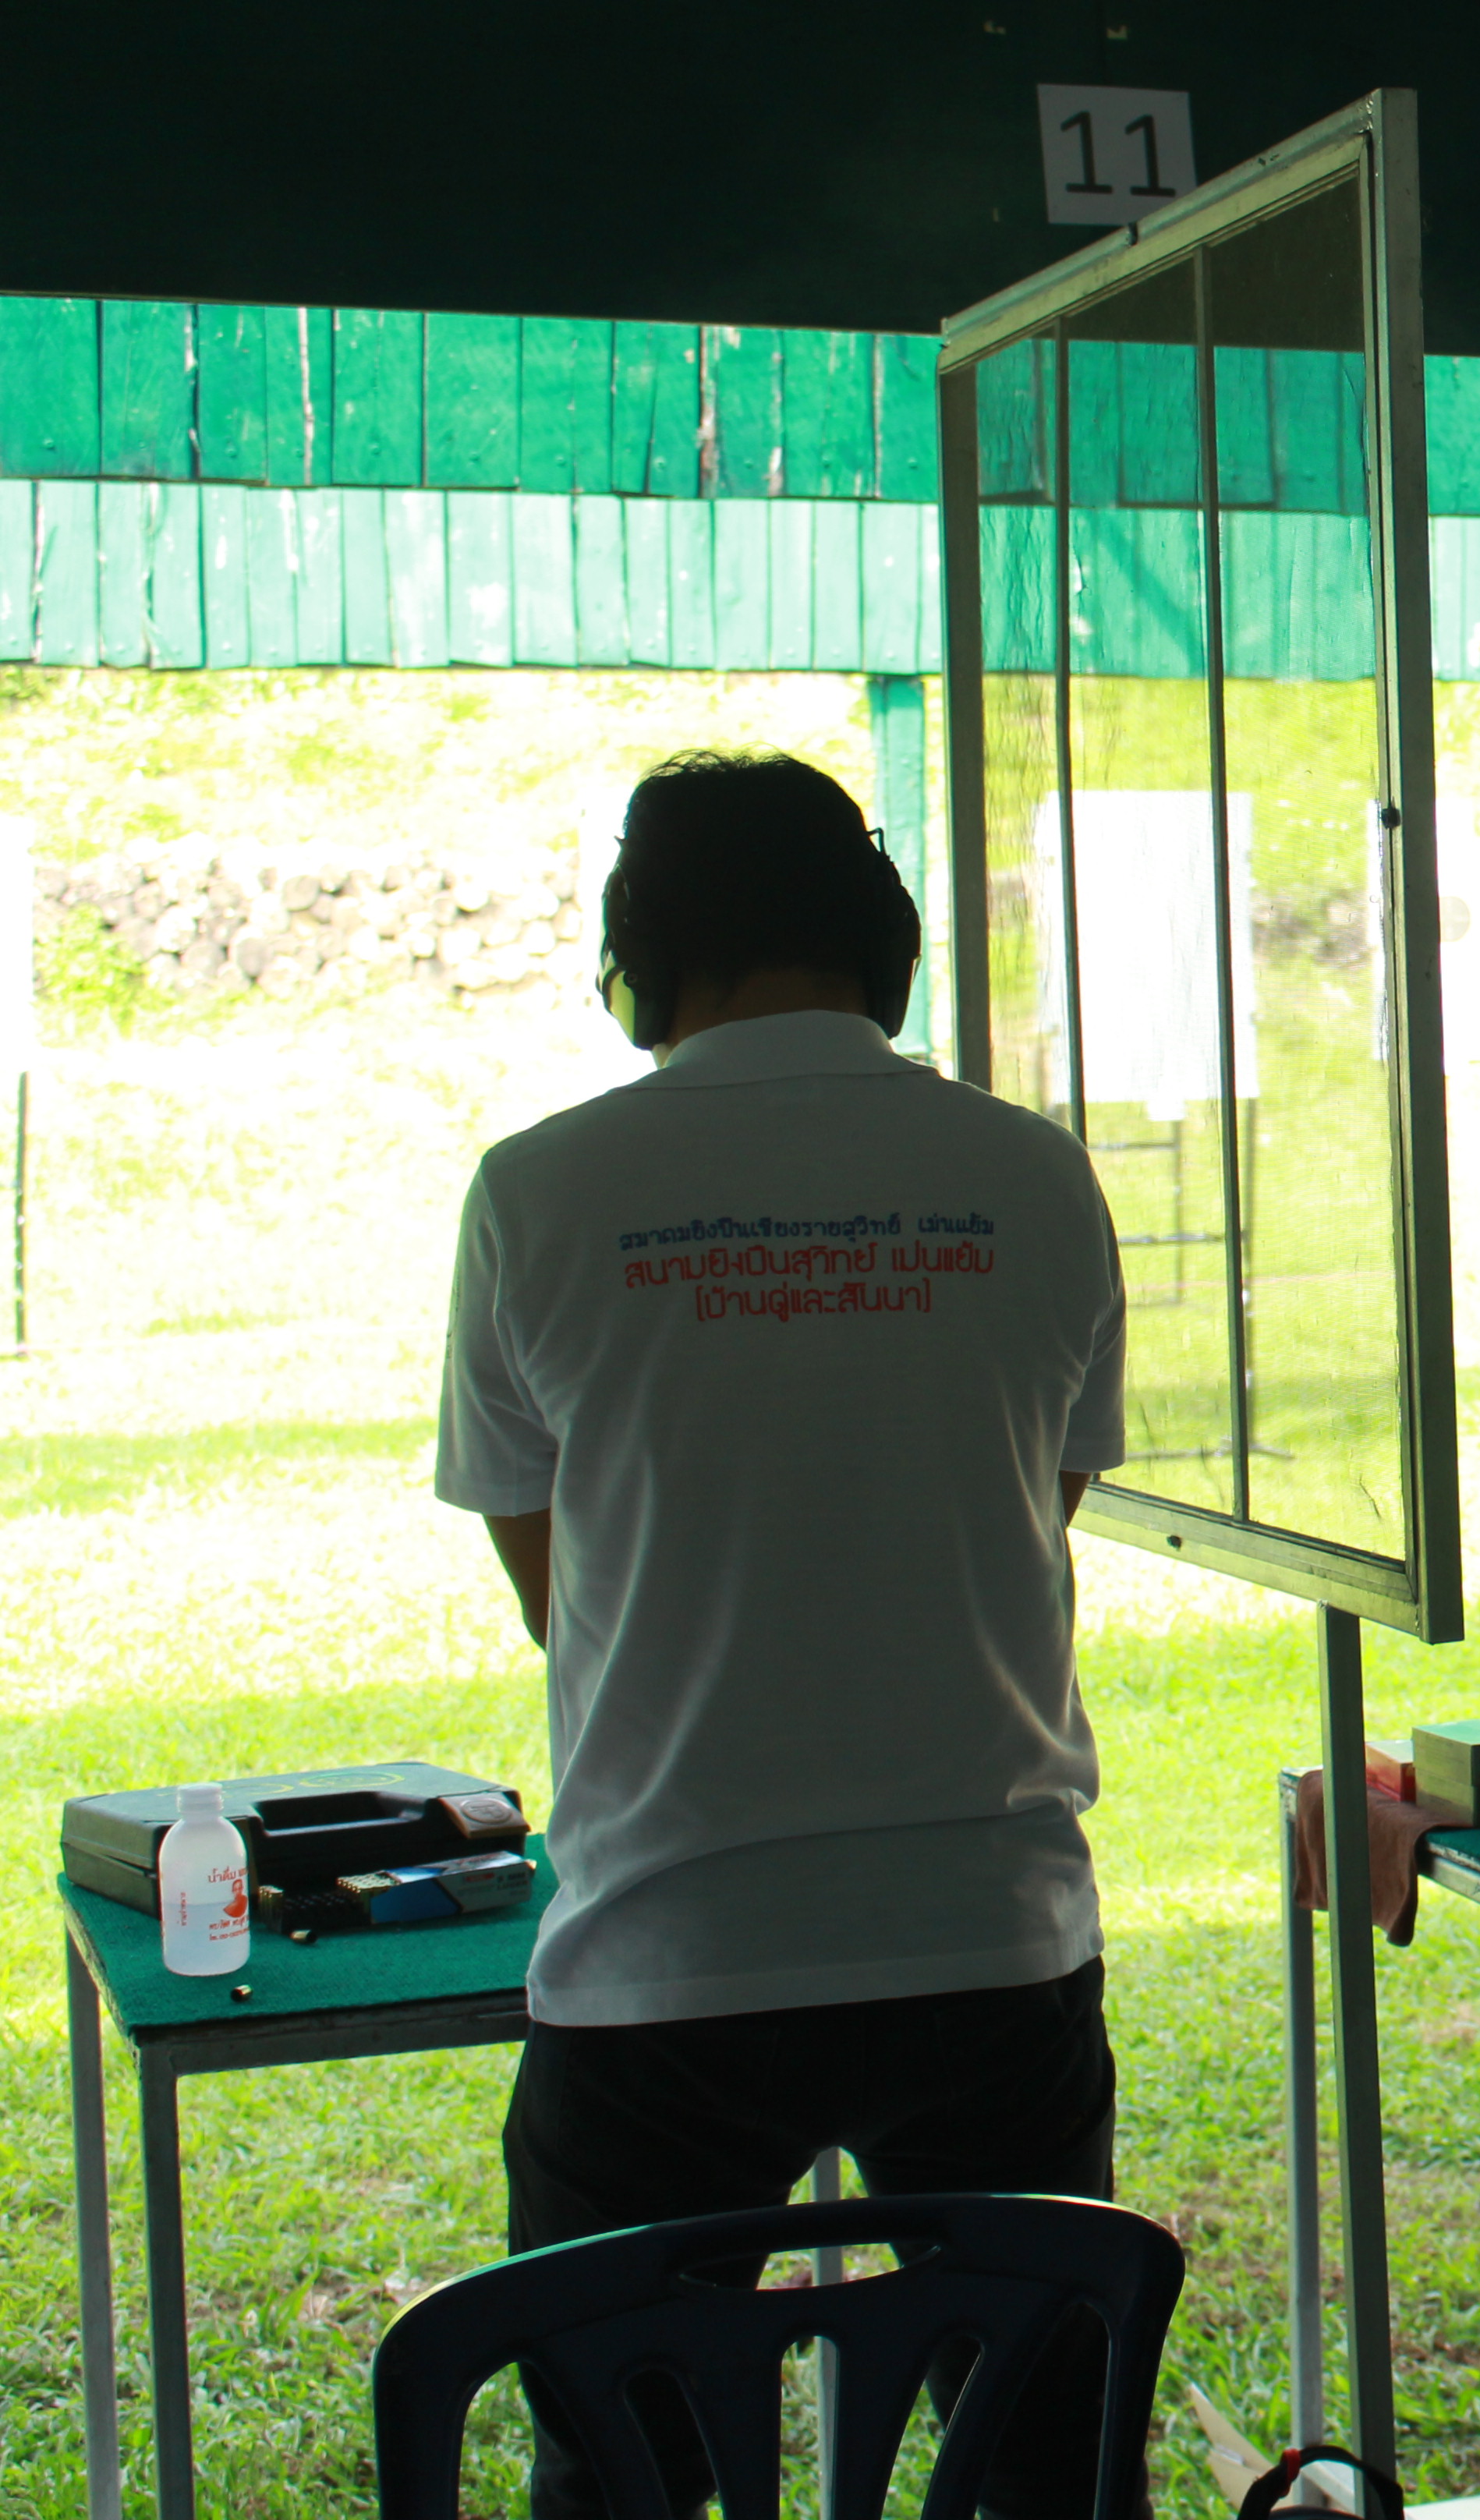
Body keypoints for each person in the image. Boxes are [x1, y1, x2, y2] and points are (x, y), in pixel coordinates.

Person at [434, 750, 1140, 2520]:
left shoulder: (536, 1189)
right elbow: (1030, 1512)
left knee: (629, 2478)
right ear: (881, 937)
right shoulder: (1035, 1176)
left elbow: (557, 1590)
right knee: (1044, 2472)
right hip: (988, 1935)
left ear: (639, 953)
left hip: (663, 1952)